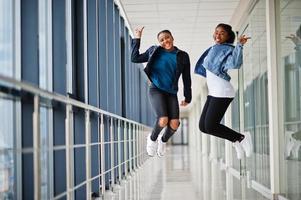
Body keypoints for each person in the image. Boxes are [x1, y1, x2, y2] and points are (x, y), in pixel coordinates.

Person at [131, 27, 192, 157]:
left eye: (167, 38)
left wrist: (188, 97)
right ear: (159, 42)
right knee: (163, 119)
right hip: (156, 89)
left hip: (171, 92)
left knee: (174, 124)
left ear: (172, 38)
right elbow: (134, 58)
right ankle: (152, 139)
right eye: (162, 40)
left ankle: (162, 140)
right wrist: (137, 38)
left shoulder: (183, 56)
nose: (165, 41)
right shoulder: (154, 51)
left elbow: (187, 78)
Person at [194, 23, 252, 159]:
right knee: (203, 127)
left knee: (211, 125)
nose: (217, 35)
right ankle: (236, 140)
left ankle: (241, 138)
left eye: (222, 33)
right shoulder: (214, 48)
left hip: (222, 90)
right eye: (216, 32)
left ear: (228, 36)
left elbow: (236, 63)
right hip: (213, 92)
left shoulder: (227, 49)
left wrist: (240, 46)